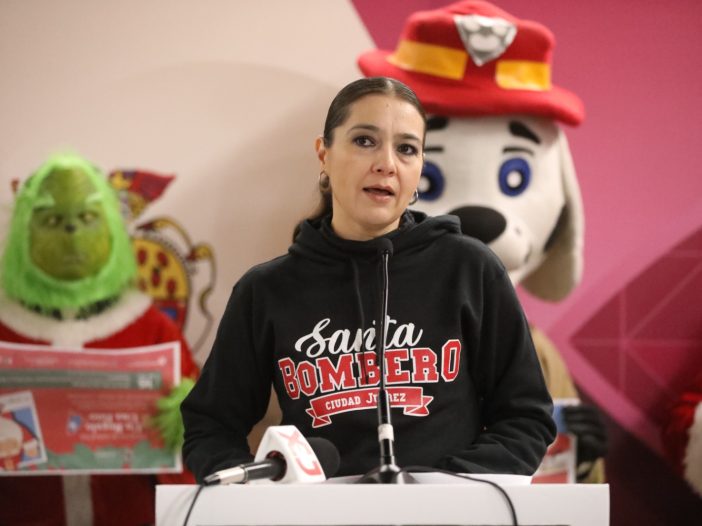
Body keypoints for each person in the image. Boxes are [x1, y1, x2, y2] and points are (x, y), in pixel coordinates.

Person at [181, 77, 556, 481]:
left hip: (448, 507)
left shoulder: (470, 269)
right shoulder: (265, 291)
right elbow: (210, 428)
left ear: (420, 167)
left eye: (406, 149)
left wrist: (444, 489)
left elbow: (525, 419)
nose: (386, 164)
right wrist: (257, 493)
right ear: (324, 154)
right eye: (364, 141)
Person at [0, 153, 198, 526]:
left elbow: (201, 439)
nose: (71, 233)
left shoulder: (151, 328)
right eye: (52, 220)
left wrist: (185, 415)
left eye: (87, 218)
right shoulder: (4, 328)